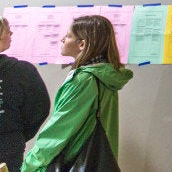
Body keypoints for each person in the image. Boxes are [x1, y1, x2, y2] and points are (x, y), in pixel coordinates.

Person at [22, 15, 133, 172]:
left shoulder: (83, 79)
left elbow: (59, 128)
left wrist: (31, 163)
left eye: (68, 36)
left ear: (82, 44)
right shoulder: (106, 76)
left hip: (73, 161)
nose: (62, 39)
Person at [0, 17, 50, 172]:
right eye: (8, 30)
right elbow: (39, 109)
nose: (11, 33)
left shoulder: (21, 70)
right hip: (8, 145)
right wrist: (17, 134)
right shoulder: (22, 71)